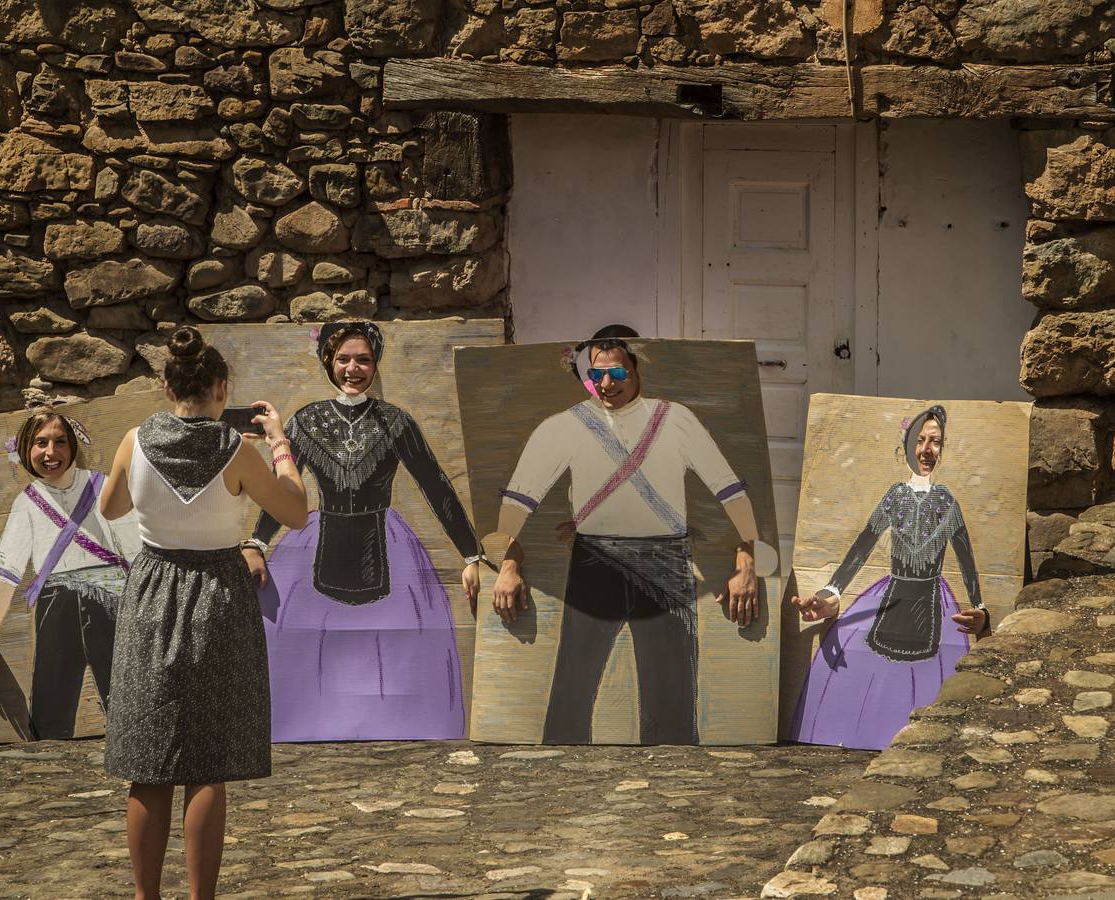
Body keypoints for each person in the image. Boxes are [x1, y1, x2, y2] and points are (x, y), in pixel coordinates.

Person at [99, 325, 308, 900]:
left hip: (151, 594)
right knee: (206, 760)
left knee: (148, 759)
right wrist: (280, 444)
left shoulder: (133, 440)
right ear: (222, 390)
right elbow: (295, 512)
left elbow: (111, 504)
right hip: (218, 593)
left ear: (167, 386)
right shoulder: (237, 450)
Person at [489, 324, 771, 745]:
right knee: (572, 689)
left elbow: (729, 492)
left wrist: (751, 559)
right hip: (594, 561)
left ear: (638, 371)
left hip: (666, 562)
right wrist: (504, 564)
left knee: (672, 698)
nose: (605, 384)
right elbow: (516, 508)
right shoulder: (562, 427)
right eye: (595, 375)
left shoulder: (676, 419)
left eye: (617, 374)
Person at [242, 320, 482, 741]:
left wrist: (471, 556)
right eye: (344, 359)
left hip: (387, 545)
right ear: (328, 363)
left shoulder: (396, 421)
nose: (353, 369)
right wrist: (256, 544)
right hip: (319, 541)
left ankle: (389, 724)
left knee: (389, 644)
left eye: (363, 360)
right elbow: (285, 487)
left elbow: (435, 484)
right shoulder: (306, 421)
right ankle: (316, 723)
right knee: (315, 644)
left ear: (375, 365)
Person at [789, 405, 989, 751]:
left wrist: (982, 613)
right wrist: (828, 595)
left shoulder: (948, 502)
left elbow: (969, 565)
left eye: (936, 442)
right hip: (890, 598)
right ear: (909, 445)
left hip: (932, 606)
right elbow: (859, 551)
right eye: (921, 440)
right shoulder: (895, 496)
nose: (927, 450)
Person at [0, 410, 138, 739]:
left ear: (72, 447)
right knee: (50, 717)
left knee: (130, 711)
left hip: (111, 604)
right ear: (27, 449)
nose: (50, 452)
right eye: (40, 443)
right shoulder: (26, 504)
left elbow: (136, 553)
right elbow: (6, 571)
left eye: (59, 442)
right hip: (57, 610)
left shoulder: (103, 488)